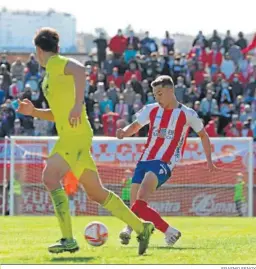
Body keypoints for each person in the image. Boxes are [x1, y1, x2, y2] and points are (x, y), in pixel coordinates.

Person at [16, 27, 154, 256]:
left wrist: (77, 104)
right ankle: (142, 228)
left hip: (75, 135)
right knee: (96, 193)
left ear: (39, 51)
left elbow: (81, 70)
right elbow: (58, 113)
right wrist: (34, 112)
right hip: (74, 134)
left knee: (49, 177)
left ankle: (68, 239)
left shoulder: (57, 63)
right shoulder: (50, 74)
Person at [116, 75, 217, 246]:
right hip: (145, 159)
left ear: (171, 91)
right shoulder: (151, 109)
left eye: (160, 93)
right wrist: (124, 132)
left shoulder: (187, 114)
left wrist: (209, 160)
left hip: (164, 163)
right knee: (136, 203)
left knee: (140, 200)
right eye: (155, 94)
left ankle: (131, 229)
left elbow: (203, 135)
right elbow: (135, 126)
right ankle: (168, 232)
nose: (157, 98)